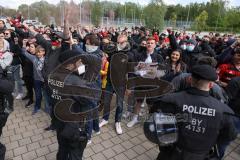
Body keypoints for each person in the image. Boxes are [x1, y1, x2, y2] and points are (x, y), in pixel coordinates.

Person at [151, 64, 237, 160]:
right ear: (211, 84)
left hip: (170, 153)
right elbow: (230, 136)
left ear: (189, 79)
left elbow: (154, 122)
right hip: (200, 155)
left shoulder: (169, 100)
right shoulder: (224, 111)